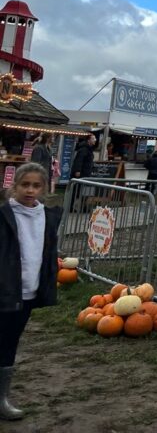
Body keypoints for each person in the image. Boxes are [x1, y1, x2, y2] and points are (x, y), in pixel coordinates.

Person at [0, 162, 63, 420]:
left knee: (10, 342)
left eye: (36, 186)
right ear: (14, 186)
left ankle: (2, 397)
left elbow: (45, 252)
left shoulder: (47, 216)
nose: (30, 190)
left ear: (44, 189)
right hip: (3, 289)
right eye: (25, 185)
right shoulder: (4, 216)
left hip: (28, 291)